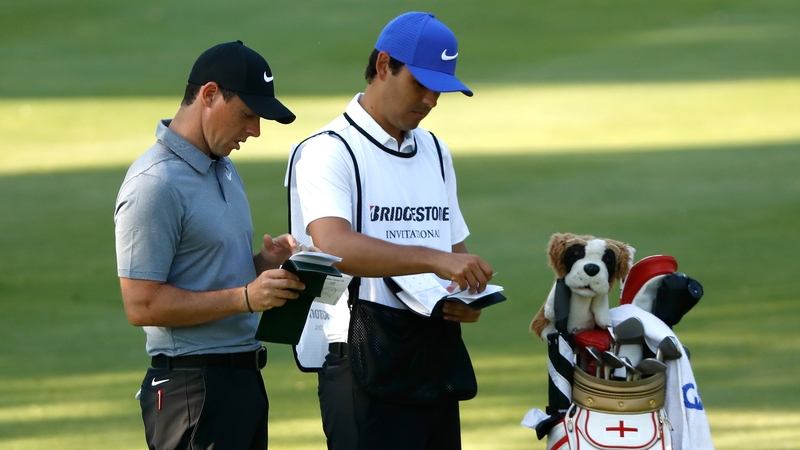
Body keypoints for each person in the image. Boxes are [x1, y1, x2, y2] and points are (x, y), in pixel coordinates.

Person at [287, 12, 494, 450]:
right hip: (357, 355)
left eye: (439, 90)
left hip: (433, 354)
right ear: (384, 66)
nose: (431, 100)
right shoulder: (327, 150)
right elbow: (334, 245)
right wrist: (435, 259)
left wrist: (466, 296)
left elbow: (453, 249)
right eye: (420, 85)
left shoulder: (437, 151)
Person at [114, 40, 306, 450]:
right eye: (248, 115)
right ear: (210, 94)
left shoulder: (224, 167)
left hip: (241, 382)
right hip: (191, 390)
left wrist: (262, 264)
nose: (254, 131)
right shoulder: (155, 184)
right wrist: (245, 297)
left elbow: (210, 275)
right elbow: (141, 304)